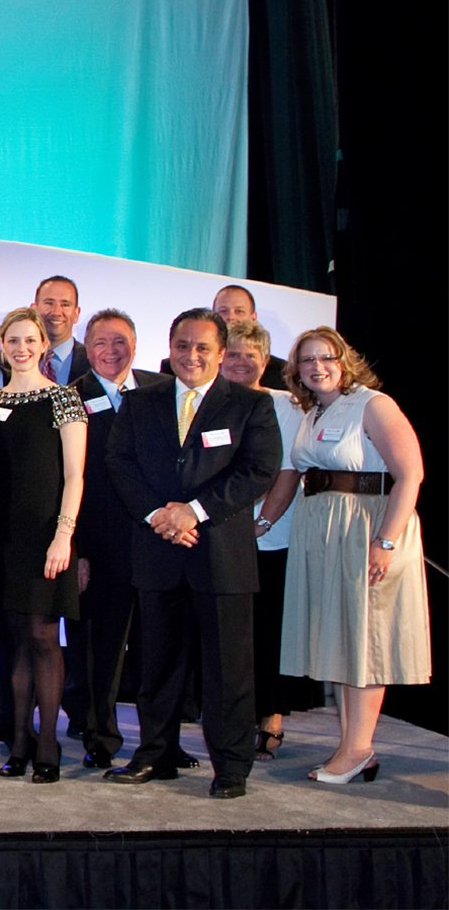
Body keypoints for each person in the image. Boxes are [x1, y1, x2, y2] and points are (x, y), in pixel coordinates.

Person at [105, 308, 280, 799]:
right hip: (159, 549)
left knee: (228, 670)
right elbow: (119, 463)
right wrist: (159, 516)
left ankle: (230, 766)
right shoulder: (140, 402)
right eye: (183, 345)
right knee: (156, 663)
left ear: (221, 354)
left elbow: (258, 470)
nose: (191, 356)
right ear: (170, 347)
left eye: (203, 347)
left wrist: (193, 512)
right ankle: (155, 754)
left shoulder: (249, 406)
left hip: (220, 557)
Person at [281, 327, 428, 784]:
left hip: (366, 529)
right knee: (343, 639)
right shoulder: (312, 411)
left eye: (326, 357)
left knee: (364, 639)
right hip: (327, 535)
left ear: (345, 361)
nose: (317, 367)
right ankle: (352, 746)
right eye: (307, 360)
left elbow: (410, 474)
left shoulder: (373, 404)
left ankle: (358, 747)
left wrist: (385, 542)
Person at [0, 308, 87, 783]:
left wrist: (64, 535)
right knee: (14, 640)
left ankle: (48, 742)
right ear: (3, 344)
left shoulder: (64, 399)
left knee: (43, 637)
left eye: (29, 340)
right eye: (13, 340)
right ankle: (18, 739)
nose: (21, 348)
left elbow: (75, 475)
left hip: (45, 535)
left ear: (44, 344)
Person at [67, 309, 170, 770]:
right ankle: (99, 735)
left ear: (135, 343)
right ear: (87, 350)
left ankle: (163, 740)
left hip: (158, 543)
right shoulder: (71, 399)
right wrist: (79, 550)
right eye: (101, 343)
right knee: (100, 649)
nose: (111, 351)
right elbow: (68, 480)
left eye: (120, 341)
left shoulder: (161, 391)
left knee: (160, 648)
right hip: (100, 545)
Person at [218, 321, 309, 761]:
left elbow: (288, 472)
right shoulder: (210, 400)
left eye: (248, 355)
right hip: (220, 536)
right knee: (231, 633)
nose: (239, 362)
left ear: (265, 361)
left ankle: (271, 715)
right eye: (231, 354)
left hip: (269, 536)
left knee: (268, 628)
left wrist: (263, 523)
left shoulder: (284, 405)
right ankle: (233, 717)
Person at [159, 285, 288, 389]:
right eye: (223, 311)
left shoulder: (280, 372)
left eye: (239, 311)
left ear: (253, 318)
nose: (230, 317)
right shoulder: (177, 365)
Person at [31, 276, 90, 385]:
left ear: (76, 313)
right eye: (49, 303)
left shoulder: (94, 362)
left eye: (65, 305)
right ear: (33, 309)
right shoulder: (8, 360)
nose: (56, 312)